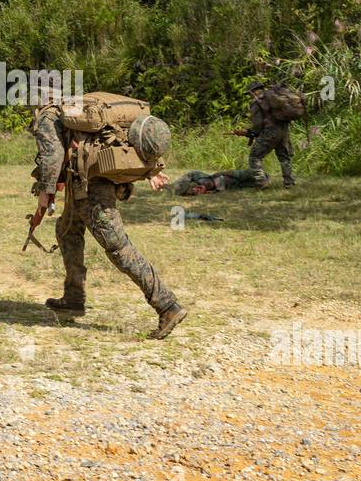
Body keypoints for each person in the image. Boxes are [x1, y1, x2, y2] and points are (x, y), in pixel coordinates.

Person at [29, 91, 188, 340]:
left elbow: (52, 156)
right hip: (85, 183)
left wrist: (45, 192)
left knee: (118, 248)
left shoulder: (50, 116)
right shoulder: (77, 109)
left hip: (93, 188)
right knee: (67, 231)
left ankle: (167, 306)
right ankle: (73, 298)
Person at [232, 82, 296, 188]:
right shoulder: (275, 98)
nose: (250, 96)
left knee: (254, 157)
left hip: (270, 132)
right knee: (284, 158)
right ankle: (289, 183)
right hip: (284, 131)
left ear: (254, 91)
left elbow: (257, 124)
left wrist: (252, 132)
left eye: (249, 93)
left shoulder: (257, 102)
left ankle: (261, 181)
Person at [171, 170, 259, 195]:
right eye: (198, 190)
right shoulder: (220, 188)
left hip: (217, 177)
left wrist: (175, 187)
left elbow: (190, 174)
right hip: (233, 182)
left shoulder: (200, 179)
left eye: (197, 187)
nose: (198, 188)